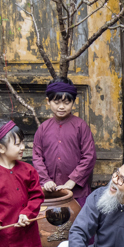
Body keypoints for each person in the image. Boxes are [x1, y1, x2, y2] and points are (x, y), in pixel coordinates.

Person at [32, 77, 97, 207]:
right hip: (50, 191)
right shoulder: (43, 128)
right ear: (48, 101)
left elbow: (89, 156)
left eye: (67, 102)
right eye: (56, 102)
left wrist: (72, 181)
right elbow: (37, 157)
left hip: (77, 191)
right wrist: (45, 181)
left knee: (78, 222)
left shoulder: (81, 126)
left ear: (73, 102)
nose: (61, 107)